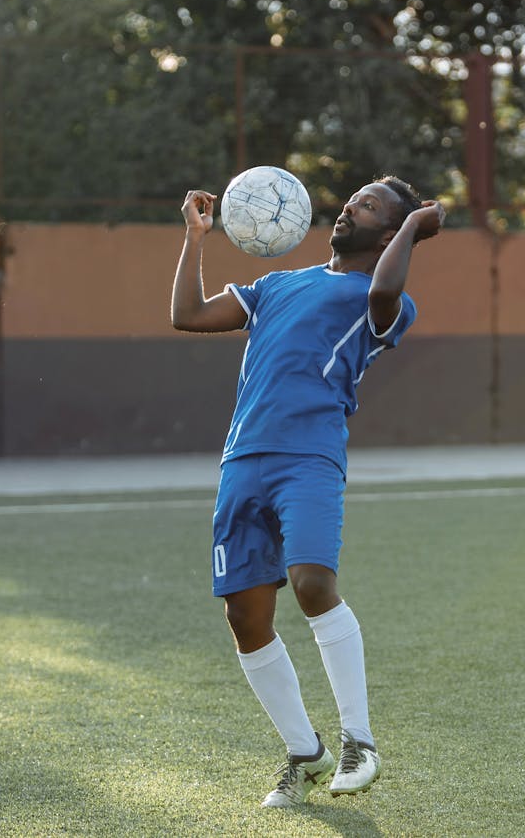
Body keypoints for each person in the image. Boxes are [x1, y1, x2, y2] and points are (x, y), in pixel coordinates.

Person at [171, 175, 444, 808]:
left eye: (371, 206)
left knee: (312, 584)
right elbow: (185, 315)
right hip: (242, 460)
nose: (352, 206)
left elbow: (385, 287)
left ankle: (360, 742)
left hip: (309, 456)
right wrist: (194, 239)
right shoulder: (274, 285)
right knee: (244, 614)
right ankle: (305, 754)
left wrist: (413, 230)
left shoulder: (386, 301)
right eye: (355, 197)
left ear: (390, 232)